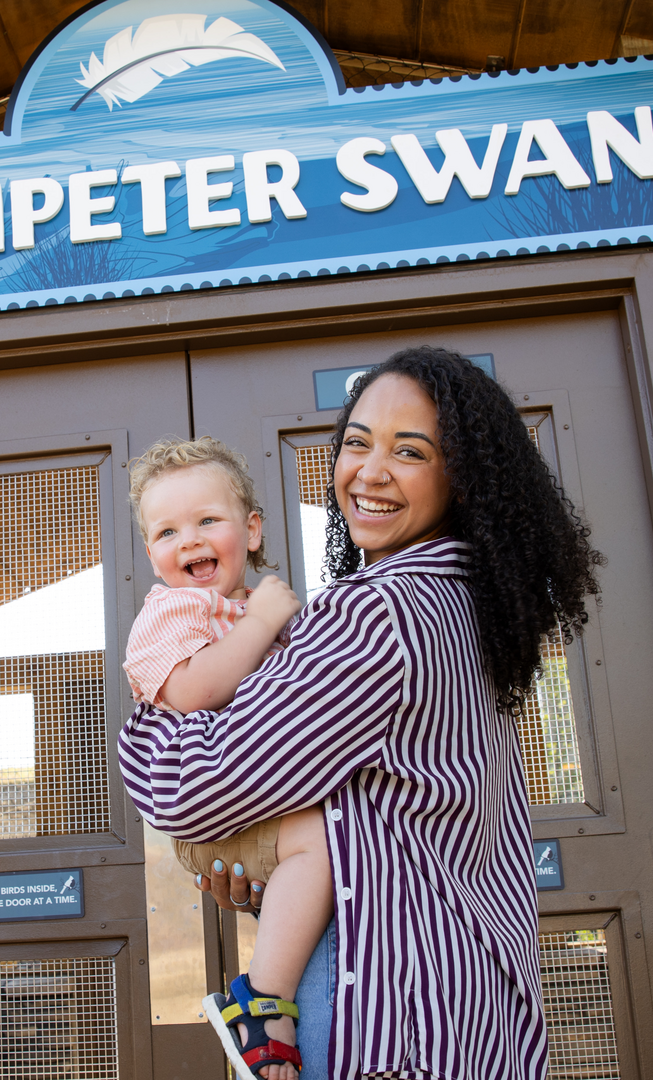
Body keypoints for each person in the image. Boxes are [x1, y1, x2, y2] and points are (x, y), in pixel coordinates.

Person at [120, 346, 602, 1080]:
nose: (370, 471)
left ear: (464, 478)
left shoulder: (380, 614)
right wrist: (275, 882)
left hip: (384, 1012)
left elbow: (192, 791)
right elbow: (390, 823)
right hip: (461, 1004)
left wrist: (151, 714)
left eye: (409, 451)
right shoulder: (464, 606)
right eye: (356, 442)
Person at [122, 436, 333, 1080]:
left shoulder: (238, 609)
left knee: (321, 844)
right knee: (320, 842)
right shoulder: (171, 611)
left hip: (252, 811)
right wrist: (263, 621)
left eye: (207, 520)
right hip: (213, 817)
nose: (188, 540)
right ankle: (261, 1006)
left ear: (253, 529)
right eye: (166, 530)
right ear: (152, 554)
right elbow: (192, 691)